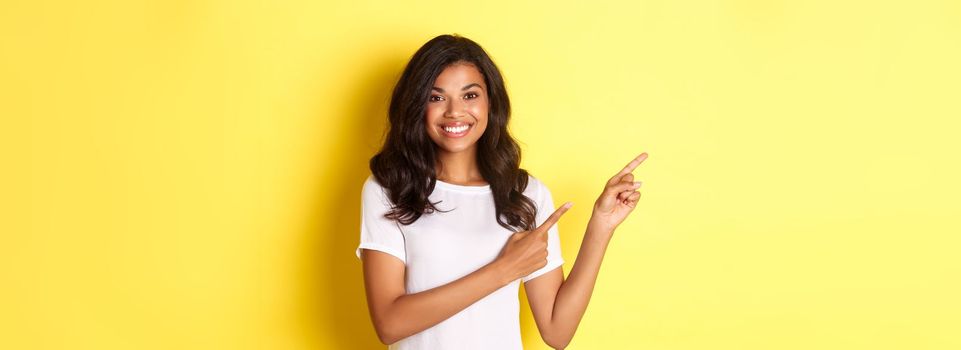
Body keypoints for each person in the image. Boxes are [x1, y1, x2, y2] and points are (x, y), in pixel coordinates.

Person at [355, 33, 647, 349]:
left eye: (470, 96)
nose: (454, 111)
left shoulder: (526, 194)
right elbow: (389, 323)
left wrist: (601, 227)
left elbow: (556, 331)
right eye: (436, 97)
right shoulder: (389, 189)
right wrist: (504, 270)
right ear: (416, 106)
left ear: (490, 102)